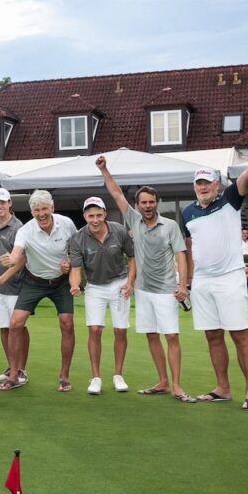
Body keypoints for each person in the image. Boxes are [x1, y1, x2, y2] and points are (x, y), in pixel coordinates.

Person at [180, 127, 248, 412]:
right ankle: (222, 387)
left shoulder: (230, 199)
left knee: (239, 334)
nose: (203, 187)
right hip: (202, 282)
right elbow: (189, 249)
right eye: (199, 183)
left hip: (230, 277)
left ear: (217, 185)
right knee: (212, 335)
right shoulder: (188, 213)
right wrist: (186, 281)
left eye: (207, 183)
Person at [97, 157, 194, 402]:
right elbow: (117, 194)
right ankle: (162, 382)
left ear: (157, 203)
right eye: (143, 202)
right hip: (142, 290)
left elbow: (181, 256)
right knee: (151, 335)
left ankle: (178, 385)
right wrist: (104, 170)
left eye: (151, 202)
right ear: (137, 205)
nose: (148, 206)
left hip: (166, 290)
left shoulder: (170, 226)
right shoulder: (133, 220)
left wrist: (183, 285)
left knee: (171, 336)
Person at [1, 190, 78, 392]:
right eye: (36, 210)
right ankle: (15, 375)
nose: (41, 214)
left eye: (44, 209)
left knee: (67, 323)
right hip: (33, 281)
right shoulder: (25, 230)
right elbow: (17, 253)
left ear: (52, 208)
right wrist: (11, 259)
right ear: (32, 212)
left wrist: (69, 263)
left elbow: (77, 249)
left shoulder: (66, 224)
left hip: (61, 282)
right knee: (15, 323)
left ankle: (64, 377)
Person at [67, 196, 135, 395]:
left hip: (119, 284)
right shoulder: (77, 238)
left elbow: (133, 257)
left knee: (120, 330)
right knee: (95, 330)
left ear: (105, 214)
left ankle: (118, 375)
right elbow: (76, 269)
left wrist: (130, 282)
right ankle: (96, 377)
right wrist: (74, 285)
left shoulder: (119, 231)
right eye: (90, 216)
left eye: (98, 215)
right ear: (85, 216)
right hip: (95, 287)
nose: (95, 219)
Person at [0, 188, 26, 390]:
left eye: (2, 203)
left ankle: (21, 371)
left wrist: (4, 276)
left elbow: (21, 260)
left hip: (16, 285)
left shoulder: (18, 227)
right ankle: (11, 368)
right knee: (4, 328)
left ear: (10, 203)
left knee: (18, 328)